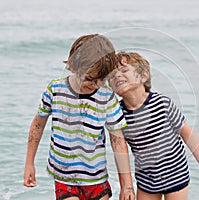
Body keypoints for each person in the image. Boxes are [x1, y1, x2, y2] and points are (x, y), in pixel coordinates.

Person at [23, 34, 135, 200]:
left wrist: (127, 185)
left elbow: (118, 141)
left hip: (97, 179)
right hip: (64, 178)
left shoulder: (106, 97)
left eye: (101, 80)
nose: (95, 85)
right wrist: (29, 163)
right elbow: (37, 126)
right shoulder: (55, 90)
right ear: (74, 66)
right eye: (90, 79)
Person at [108, 51, 199, 200]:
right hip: (146, 180)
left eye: (124, 70)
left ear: (143, 75)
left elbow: (186, 133)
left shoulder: (163, 104)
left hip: (176, 175)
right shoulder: (117, 115)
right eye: (111, 76)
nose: (117, 76)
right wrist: (127, 186)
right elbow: (121, 152)